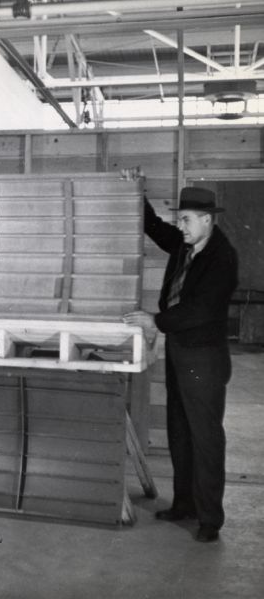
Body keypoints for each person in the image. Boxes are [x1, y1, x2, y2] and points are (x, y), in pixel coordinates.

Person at [124, 186, 238, 543]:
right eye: (181, 221)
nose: (182, 227)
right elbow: (156, 228)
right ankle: (185, 504)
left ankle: (209, 519)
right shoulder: (187, 245)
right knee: (179, 431)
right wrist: (135, 191)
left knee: (205, 438)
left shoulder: (222, 258)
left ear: (207, 220)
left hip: (204, 357)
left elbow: (200, 311)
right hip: (180, 352)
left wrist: (155, 321)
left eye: (187, 220)